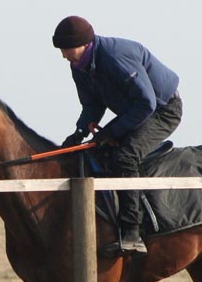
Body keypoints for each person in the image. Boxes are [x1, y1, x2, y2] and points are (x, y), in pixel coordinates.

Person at [52, 15, 183, 257]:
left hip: (163, 109)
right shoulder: (79, 67)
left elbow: (147, 103)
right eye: (61, 50)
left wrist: (112, 132)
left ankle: (133, 232)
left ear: (85, 44)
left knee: (125, 156)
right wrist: (79, 132)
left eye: (67, 49)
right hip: (136, 109)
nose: (64, 55)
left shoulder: (115, 58)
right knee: (98, 151)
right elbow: (92, 106)